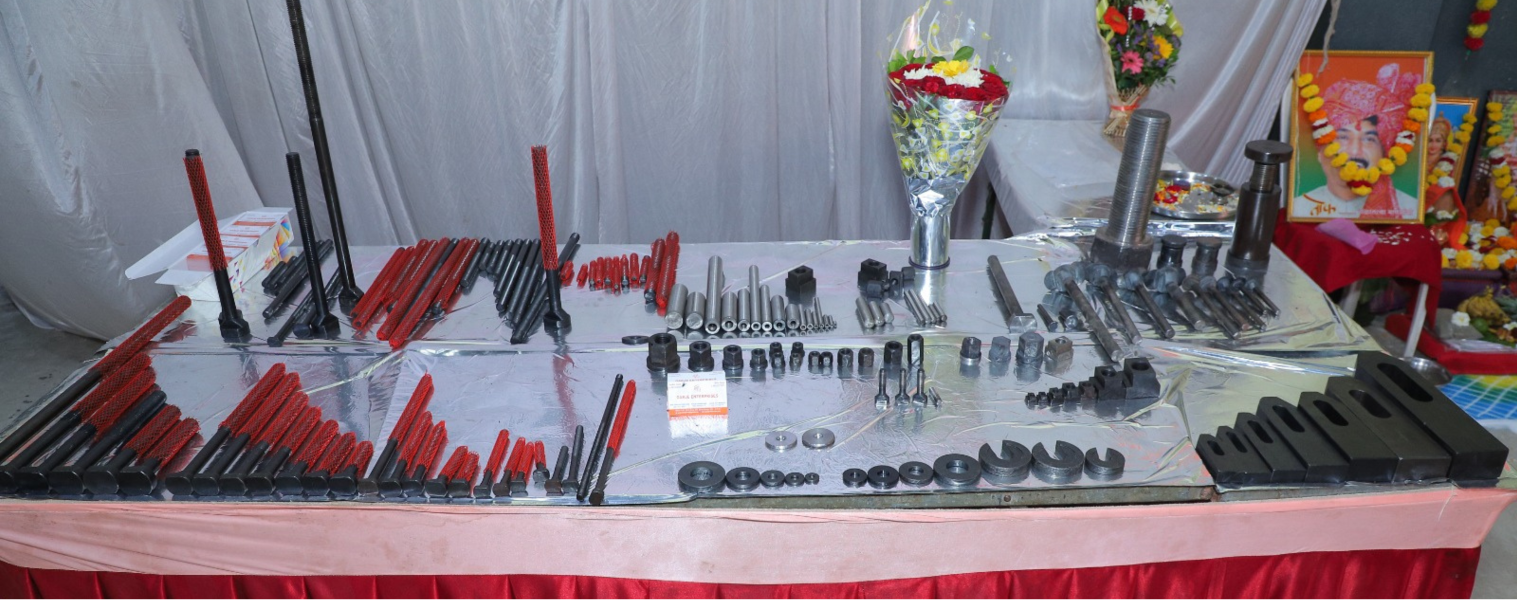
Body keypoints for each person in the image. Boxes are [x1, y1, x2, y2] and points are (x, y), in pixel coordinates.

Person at [1294, 64, 1422, 221]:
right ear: (1320, 152)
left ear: (1384, 154)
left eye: (1369, 139)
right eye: (1343, 137)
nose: (1355, 151)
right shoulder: (1299, 209)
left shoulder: (1409, 210)